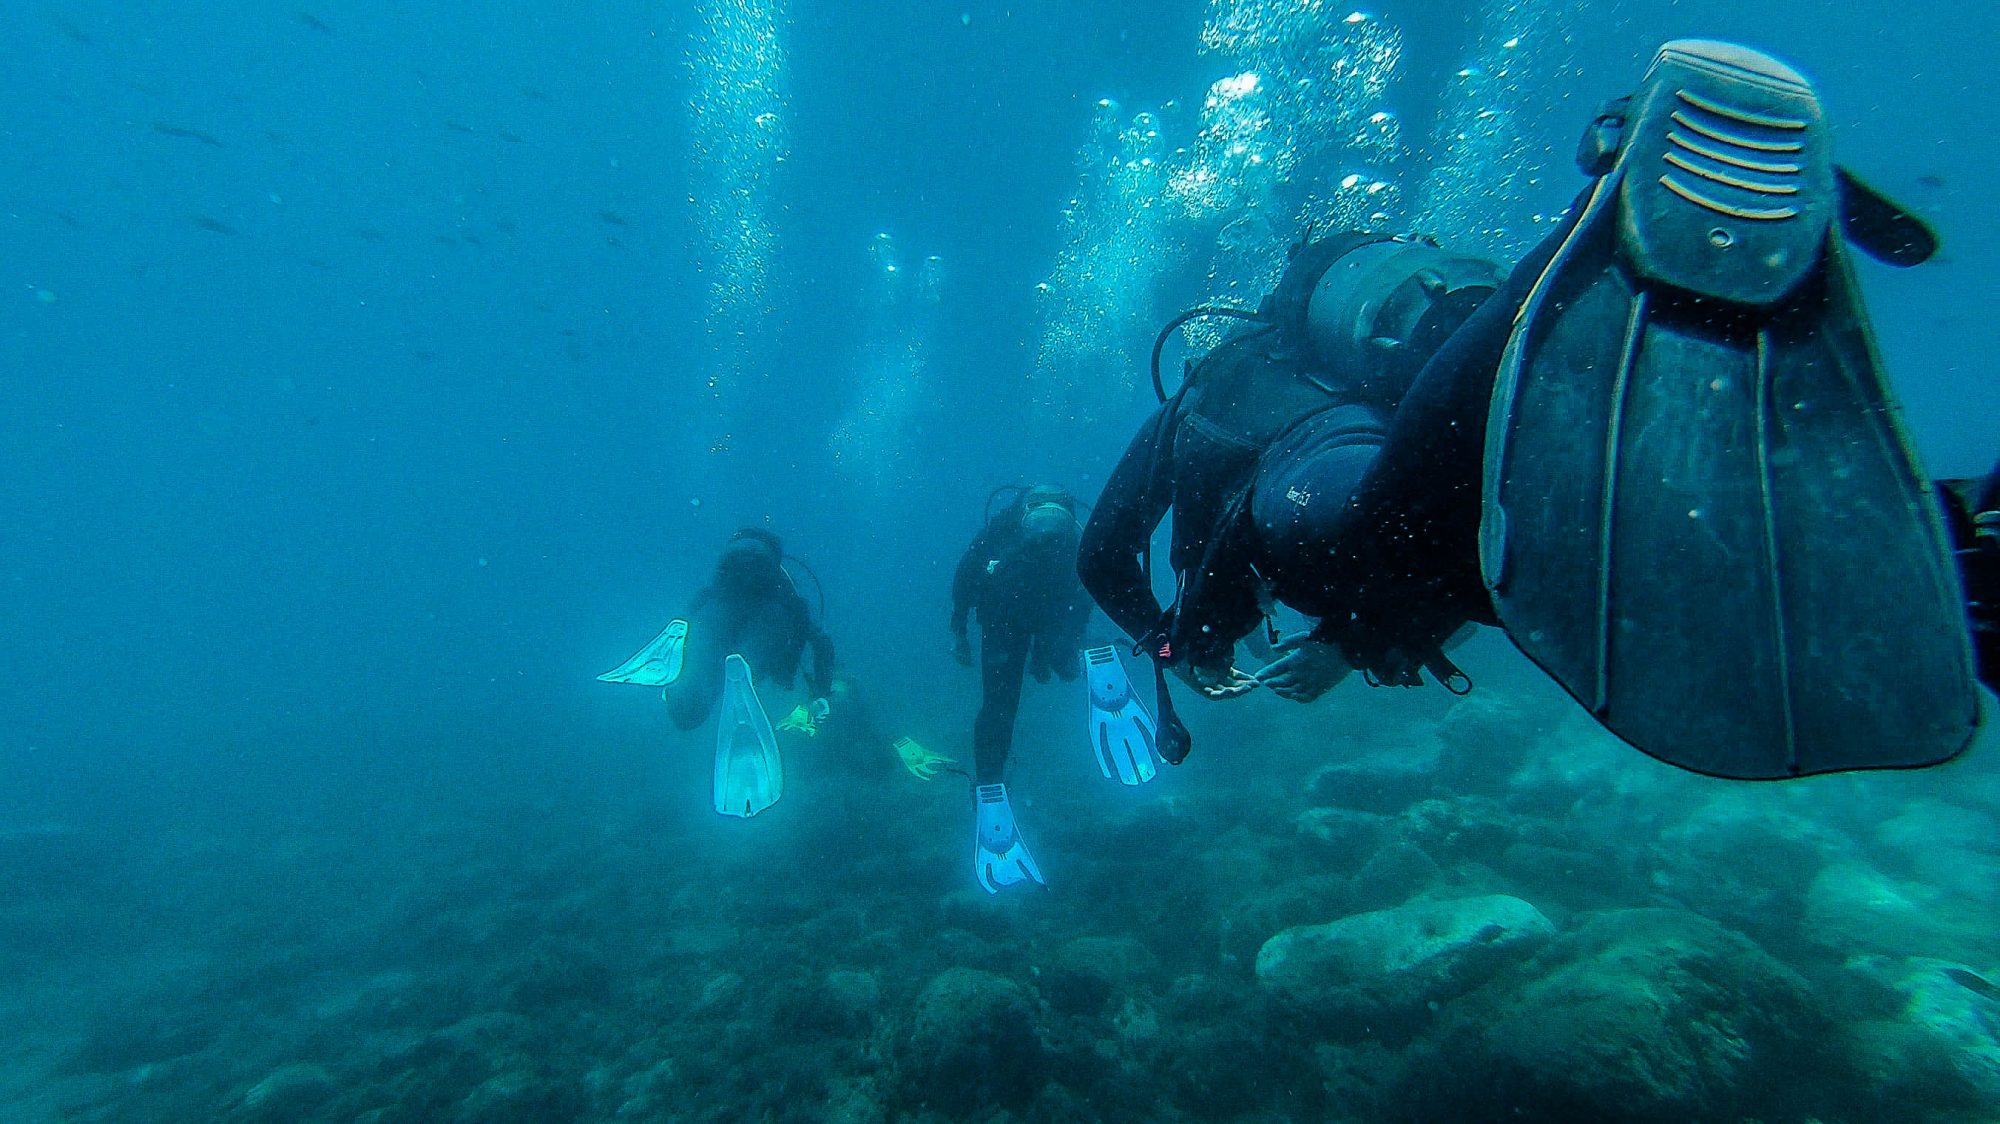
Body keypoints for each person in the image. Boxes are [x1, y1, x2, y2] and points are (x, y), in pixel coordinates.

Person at [1081, 39, 1981, 780]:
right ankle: (1953, 535)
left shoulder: (1221, 386)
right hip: (1455, 479)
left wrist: (1176, 641)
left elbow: (1103, 555)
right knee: (1598, 538)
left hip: (1333, 478)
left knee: (1374, 521)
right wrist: (1347, 648)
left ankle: (1611, 200)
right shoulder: (1316, 376)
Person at [602, 527, 834, 816]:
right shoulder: (785, 592)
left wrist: (682, 642)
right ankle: (743, 669)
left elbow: (696, 610)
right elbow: (819, 641)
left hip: (714, 613)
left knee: (691, 708)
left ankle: (676, 686)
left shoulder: (720, 588)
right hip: (769, 619)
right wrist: (820, 692)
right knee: (750, 658)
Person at [950, 485, 1091, 892]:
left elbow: (966, 576)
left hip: (1004, 622)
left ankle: (989, 780)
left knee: (998, 706)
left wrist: (959, 631)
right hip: (1050, 616)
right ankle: (1063, 661)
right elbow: (1092, 583)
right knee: (1058, 668)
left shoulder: (998, 530)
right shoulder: (1074, 532)